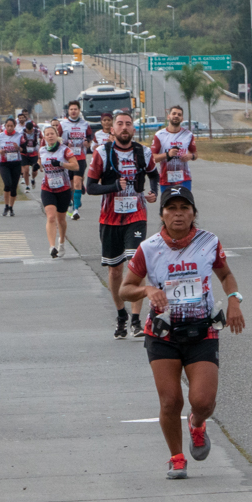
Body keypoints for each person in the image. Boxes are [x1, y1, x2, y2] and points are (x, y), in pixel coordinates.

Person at [119, 186, 245, 479]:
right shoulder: (148, 248)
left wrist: (235, 300)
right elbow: (126, 289)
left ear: (193, 213)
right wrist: (147, 288)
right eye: (171, 208)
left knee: (202, 401)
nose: (178, 214)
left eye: (184, 208)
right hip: (163, 333)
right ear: (162, 214)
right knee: (170, 401)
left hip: (202, 331)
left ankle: (198, 424)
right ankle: (176, 456)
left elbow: (225, 275)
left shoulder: (209, 241)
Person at [86, 109, 158, 338]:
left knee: (136, 265)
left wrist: (153, 191)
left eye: (128, 123)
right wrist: (113, 186)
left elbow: (154, 174)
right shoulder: (102, 153)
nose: (124, 127)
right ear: (112, 128)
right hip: (109, 218)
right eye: (120, 123)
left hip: (137, 215)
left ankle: (137, 320)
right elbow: (90, 187)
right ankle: (121, 315)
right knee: (115, 269)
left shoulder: (143, 152)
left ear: (133, 128)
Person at [38, 124, 79, 257]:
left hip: (63, 188)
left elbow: (75, 166)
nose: (50, 136)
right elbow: (41, 161)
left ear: (57, 136)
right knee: (50, 217)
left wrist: (61, 164)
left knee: (61, 220)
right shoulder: (42, 150)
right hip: (47, 188)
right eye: (47, 134)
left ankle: (61, 242)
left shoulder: (65, 150)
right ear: (44, 137)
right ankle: (52, 247)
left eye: (52, 134)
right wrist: (36, 165)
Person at [151, 105, 198, 190]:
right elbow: (152, 158)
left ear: (182, 119)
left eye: (179, 115)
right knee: (168, 203)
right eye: (174, 113)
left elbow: (195, 154)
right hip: (166, 179)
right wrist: (167, 154)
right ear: (168, 116)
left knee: (184, 203)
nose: (176, 116)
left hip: (184, 179)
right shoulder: (159, 135)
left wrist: (191, 156)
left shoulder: (188, 135)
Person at [61, 100, 91, 221]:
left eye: (75, 109)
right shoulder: (62, 124)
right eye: (71, 109)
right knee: (70, 184)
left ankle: (76, 210)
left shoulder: (85, 124)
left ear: (79, 111)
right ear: (68, 111)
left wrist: (87, 143)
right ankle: (72, 201)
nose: (73, 111)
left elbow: (89, 138)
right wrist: (65, 143)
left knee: (77, 182)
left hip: (80, 157)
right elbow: (58, 140)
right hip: (67, 158)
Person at [0, 117, 24, 216]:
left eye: (11, 126)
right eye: (8, 126)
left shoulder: (19, 136)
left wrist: (18, 148)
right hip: (4, 163)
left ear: (15, 126)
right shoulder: (0, 136)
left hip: (16, 163)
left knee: (14, 187)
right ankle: (6, 206)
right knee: (7, 184)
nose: (9, 128)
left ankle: (11, 207)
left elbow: (25, 149)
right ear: (5, 126)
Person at [20, 115, 41, 192]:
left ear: (33, 128)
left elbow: (42, 138)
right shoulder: (22, 132)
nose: (29, 132)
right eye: (28, 131)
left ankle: (33, 178)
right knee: (25, 170)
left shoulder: (37, 132)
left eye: (30, 131)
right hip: (24, 153)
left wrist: (40, 146)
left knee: (35, 171)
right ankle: (27, 185)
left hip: (34, 153)